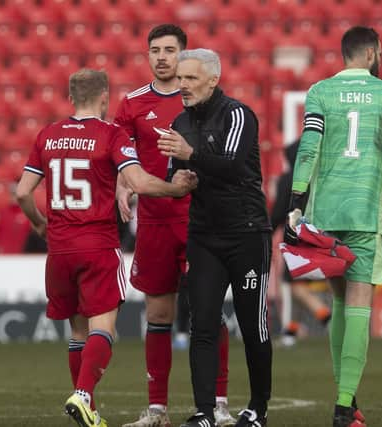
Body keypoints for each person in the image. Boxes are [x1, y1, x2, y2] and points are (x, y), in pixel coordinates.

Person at [15, 68, 197, 427]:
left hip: (60, 249)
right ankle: (83, 395)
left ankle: (90, 411)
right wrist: (177, 189)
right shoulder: (110, 134)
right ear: (104, 98)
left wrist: (39, 223)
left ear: (70, 98)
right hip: (97, 245)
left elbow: (22, 191)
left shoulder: (48, 135)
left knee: (78, 333)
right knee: (104, 329)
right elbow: (139, 183)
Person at [287, 27, 382, 427]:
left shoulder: (319, 92)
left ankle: (348, 398)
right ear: (370, 53)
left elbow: (308, 148)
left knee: (341, 304)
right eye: (379, 51)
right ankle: (344, 406)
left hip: (325, 215)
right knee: (361, 304)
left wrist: (296, 202)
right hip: (365, 213)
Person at [115, 24, 235, 427]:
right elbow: (120, 157)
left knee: (209, 312)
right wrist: (122, 186)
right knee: (159, 314)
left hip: (200, 220)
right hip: (154, 222)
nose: (162, 57)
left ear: (184, 56)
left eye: (170, 50)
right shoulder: (131, 105)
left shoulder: (204, 104)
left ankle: (218, 404)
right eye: (155, 50)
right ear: (147, 55)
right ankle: (157, 410)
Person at [158, 48, 272, 427]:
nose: (182, 85)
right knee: (202, 323)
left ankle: (257, 408)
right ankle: (204, 412)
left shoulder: (238, 114)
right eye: (181, 79)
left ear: (213, 79)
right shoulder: (179, 121)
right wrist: (179, 180)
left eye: (190, 78)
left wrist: (192, 155)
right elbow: (177, 173)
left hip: (247, 234)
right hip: (204, 235)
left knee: (252, 323)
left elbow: (234, 164)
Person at [270, 141, 332, 347]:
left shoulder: (288, 179)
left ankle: (323, 319)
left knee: (291, 286)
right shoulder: (319, 178)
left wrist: (268, 229)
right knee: (299, 285)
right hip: (319, 233)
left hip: (297, 237)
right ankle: (294, 330)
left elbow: (280, 211)